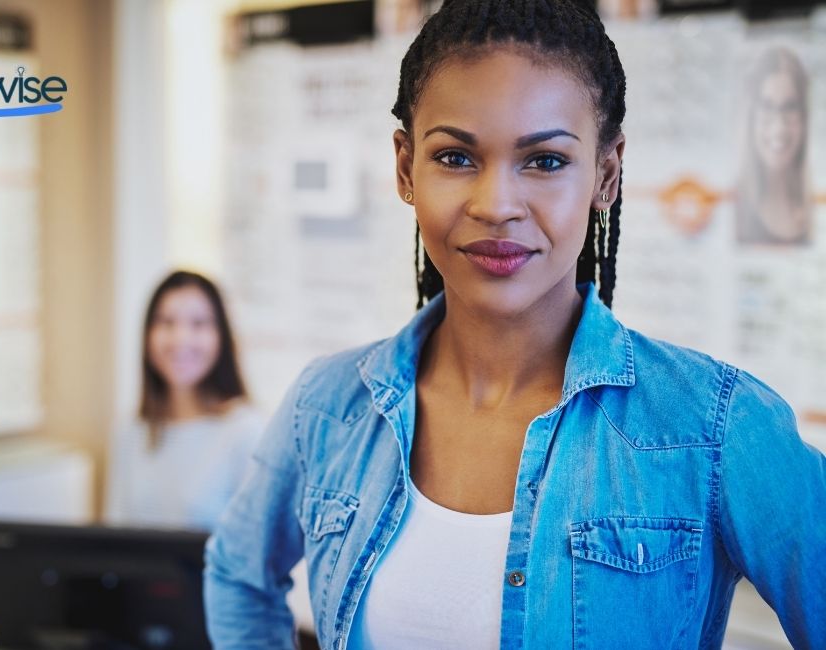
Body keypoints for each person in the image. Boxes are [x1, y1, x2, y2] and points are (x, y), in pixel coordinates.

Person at [204, 2, 826, 649]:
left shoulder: (713, 425)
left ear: (606, 173)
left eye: (546, 161)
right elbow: (237, 576)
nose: (497, 205)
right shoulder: (328, 405)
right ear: (404, 167)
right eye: (455, 157)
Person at [104, 270, 264, 531]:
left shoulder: (245, 431)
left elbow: (256, 552)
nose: (181, 338)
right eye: (166, 322)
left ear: (221, 337)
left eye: (199, 324)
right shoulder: (130, 430)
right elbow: (114, 535)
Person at [736, 47, 813, 246]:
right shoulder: (731, 207)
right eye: (767, 106)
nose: (779, 126)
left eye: (790, 107)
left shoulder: (816, 207)